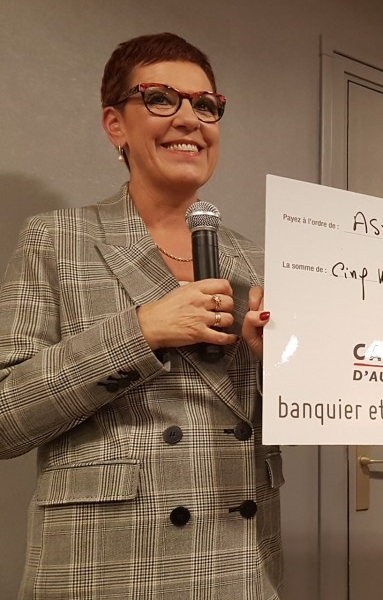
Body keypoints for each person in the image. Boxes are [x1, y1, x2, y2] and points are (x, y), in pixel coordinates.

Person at [0, 33, 282, 599]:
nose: (190, 119)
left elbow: (307, 413)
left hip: (241, 558)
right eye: (160, 99)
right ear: (116, 125)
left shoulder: (259, 261)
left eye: (206, 105)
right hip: (105, 562)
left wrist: (281, 365)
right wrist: (142, 331)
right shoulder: (56, 239)